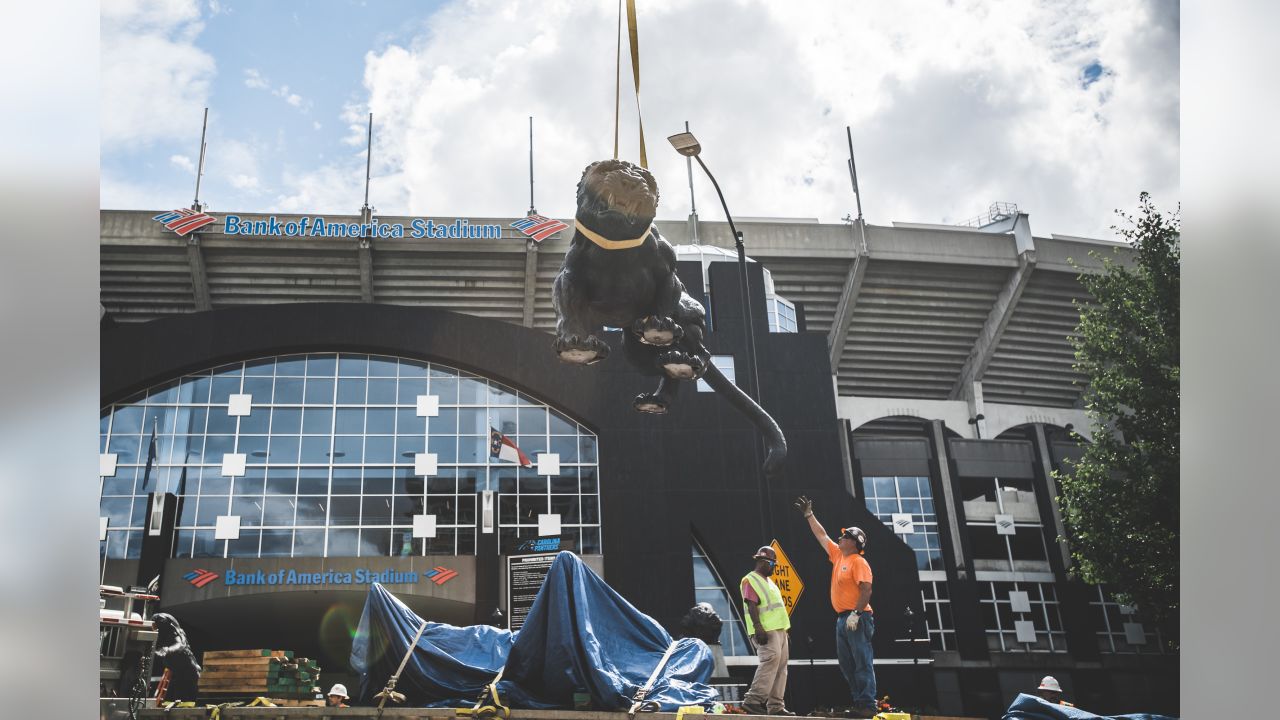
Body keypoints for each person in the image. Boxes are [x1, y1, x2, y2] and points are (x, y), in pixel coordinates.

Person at [795, 495, 877, 719]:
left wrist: (857, 614)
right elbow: (821, 535)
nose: (840, 537)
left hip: (858, 618)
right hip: (843, 619)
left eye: (845, 535)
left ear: (854, 542)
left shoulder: (858, 562)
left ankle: (868, 706)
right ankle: (860, 703)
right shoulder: (838, 555)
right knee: (846, 664)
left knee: (862, 661)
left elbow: (866, 590)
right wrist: (809, 515)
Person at [739, 545, 796, 716]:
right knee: (770, 662)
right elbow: (751, 604)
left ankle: (776, 706)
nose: (774, 567)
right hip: (765, 630)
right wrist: (758, 627)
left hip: (779, 630)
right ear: (763, 561)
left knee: (781, 667)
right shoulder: (750, 579)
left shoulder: (770, 582)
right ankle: (753, 701)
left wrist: (785, 631)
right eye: (772, 564)